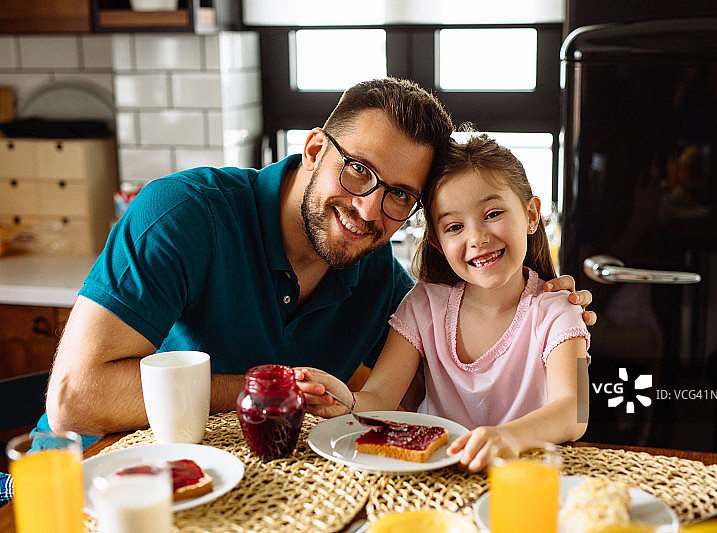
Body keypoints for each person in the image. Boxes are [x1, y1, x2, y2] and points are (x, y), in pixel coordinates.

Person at [42, 78, 594, 443]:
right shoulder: (184, 214)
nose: (368, 209)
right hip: (83, 469)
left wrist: (527, 304)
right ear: (313, 150)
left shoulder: (377, 276)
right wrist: (268, 387)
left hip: (241, 483)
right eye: (357, 170)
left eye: (399, 195)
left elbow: (418, 384)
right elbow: (75, 399)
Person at [297, 134, 590, 472]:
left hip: (522, 479)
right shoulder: (423, 305)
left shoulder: (558, 310)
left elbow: (574, 411)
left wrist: (507, 438)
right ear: (437, 242)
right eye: (454, 227)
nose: (477, 238)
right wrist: (343, 399)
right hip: (435, 481)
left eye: (493, 213)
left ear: (531, 215)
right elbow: (378, 399)